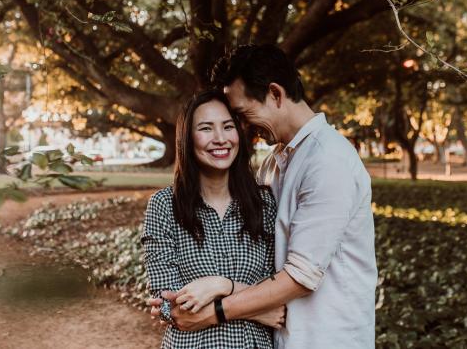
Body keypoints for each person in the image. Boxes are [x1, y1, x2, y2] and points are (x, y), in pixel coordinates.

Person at [151, 44, 378, 349]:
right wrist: (250, 305)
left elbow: (300, 275)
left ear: (275, 94)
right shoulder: (273, 165)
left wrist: (217, 304)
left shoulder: (328, 160)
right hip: (283, 338)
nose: (242, 128)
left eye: (242, 114)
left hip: (327, 336)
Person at [142, 89, 286, 349]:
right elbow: (168, 305)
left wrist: (221, 286)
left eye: (228, 126)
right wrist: (256, 310)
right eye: (206, 129)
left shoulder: (263, 203)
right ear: (187, 138)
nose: (220, 139)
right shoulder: (164, 206)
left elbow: (277, 295)